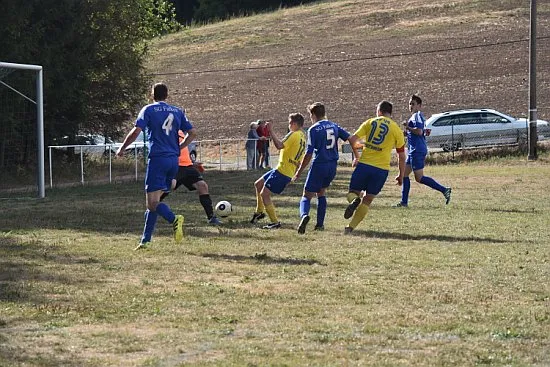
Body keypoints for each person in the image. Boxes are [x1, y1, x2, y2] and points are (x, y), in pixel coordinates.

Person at [116, 82, 196, 250]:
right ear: (166, 95)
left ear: (152, 94)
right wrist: (181, 147)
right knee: (155, 201)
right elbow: (192, 132)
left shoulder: (148, 110)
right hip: (173, 161)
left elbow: (137, 131)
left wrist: (122, 148)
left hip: (158, 160)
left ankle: (174, 219)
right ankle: (145, 240)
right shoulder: (177, 111)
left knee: (152, 203)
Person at [292, 102, 359, 234]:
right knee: (321, 192)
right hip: (332, 166)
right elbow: (352, 138)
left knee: (306, 195)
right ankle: (320, 225)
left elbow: (309, 153)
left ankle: (304, 215)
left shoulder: (313, 129)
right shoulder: (334, 125)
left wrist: (299, 172)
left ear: (313, 115)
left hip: (319, 164)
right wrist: (357, 155)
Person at [343, 100, 405, 234]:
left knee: (352, 193)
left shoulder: (370, 122)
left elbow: (353, 140)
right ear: (390, 113)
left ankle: (354, 201)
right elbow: (401, 155)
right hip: (381, 169)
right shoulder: (396, 129)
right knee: (368, 199)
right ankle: (350, 227)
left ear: (379, 111)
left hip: (364, 165)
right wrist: (401, 175)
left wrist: (357, 155)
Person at [250, 113, 307, 229]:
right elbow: (298, 159)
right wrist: (295, 172)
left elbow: (279, 145)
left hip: (283, 171)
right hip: (284, 169)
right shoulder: (303, 137)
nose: (289, 125)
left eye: (290, 122)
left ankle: (275, 222)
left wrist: (271, 130)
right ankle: (259, 212)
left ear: (295, 124)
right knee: (258, 184)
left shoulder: (294, 134)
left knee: (264, 194)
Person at [396, 95, 451, 207]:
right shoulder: (414, 116)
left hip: (417, 150)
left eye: (413, 104)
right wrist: (406, 133)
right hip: (413, 150)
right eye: (410, 103)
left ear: (419, 106)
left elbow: (420, 132)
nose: (410, 106)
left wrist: (408, 127)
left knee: (419, 178)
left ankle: (444, 190)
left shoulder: (417, 116)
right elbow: (418, 132)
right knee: (404, 175)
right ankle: (404, 202)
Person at [159, 130, 221, 225]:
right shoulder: (165, 130)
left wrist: (192, 163)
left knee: (202, 186)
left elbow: (183, 150)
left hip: (188, 166)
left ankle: (211, 217)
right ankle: (153, 205)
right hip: (175, 165)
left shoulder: (181, 131)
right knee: (169, 185)